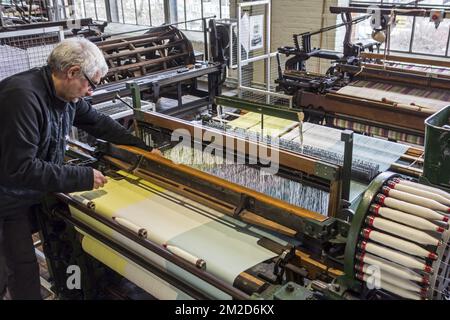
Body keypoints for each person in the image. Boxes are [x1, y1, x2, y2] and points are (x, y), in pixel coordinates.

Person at [0, 37, 161, 300]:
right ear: (73, 72)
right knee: (11, 268)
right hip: (6, 193)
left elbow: (98, 122)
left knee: (23, 265)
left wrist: (142, 148)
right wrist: (82, 176)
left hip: (21, 193)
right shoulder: (22, 98)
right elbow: (20, 167)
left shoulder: (65, 96)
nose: (91, 92)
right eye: (91, 83)